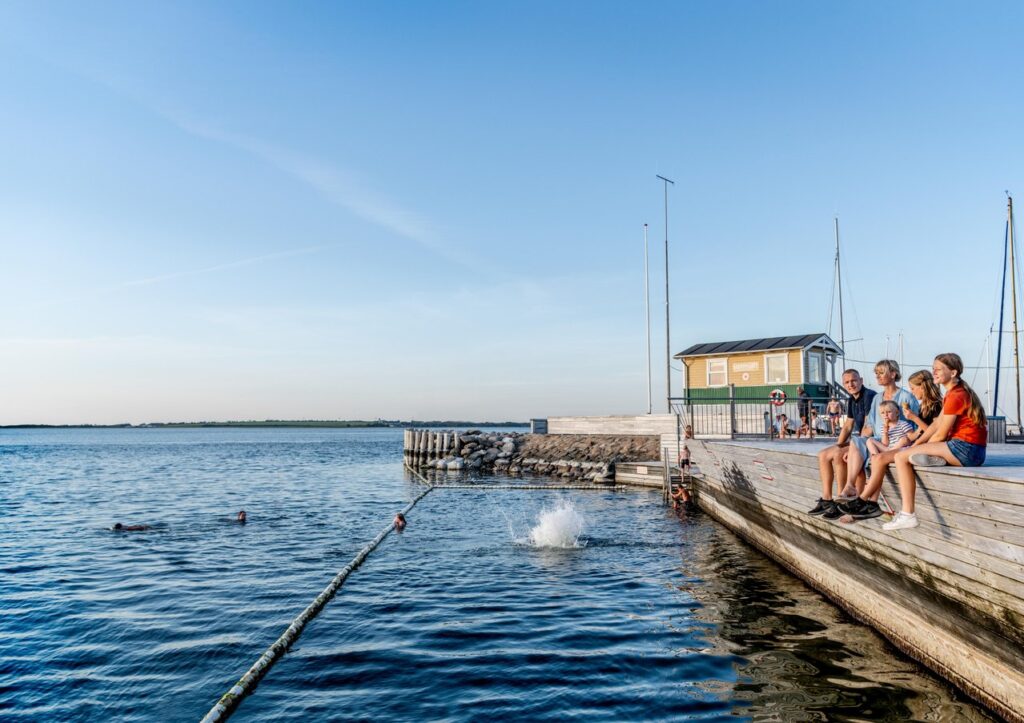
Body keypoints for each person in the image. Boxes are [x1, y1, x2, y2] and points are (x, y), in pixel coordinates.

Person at [884, 353, 987, 531]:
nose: (934, 372)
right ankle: (935, 459)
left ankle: (908, 515)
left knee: (901, 457)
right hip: (971, 450)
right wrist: (916, 445)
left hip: (965, 449)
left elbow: (940, 434)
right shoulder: (954, 392)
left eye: (938, 369)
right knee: (909, 453)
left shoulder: (956, 395)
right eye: (933, 369)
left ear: (953, 373)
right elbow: (936, 424)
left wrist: (918, 449)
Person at [840, 369, 943, 520]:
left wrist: (913, 419)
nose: (912, 392)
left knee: (879, 459)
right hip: (917, 446)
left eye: (913, 388)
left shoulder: (936, 405)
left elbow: (933, 433)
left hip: (925, 447)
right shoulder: (923, 407)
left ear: (923, 386)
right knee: (876, 458)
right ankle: (870, 503)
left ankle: (864, 501)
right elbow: (922, 432)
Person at [837, 360, 918, 503]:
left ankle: (863, 502)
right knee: (855, 443)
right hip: (878, 441)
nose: (877, 376)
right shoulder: (877, 398)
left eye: (881, 373)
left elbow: (914, 427)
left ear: (893, 374)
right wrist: (855, 447)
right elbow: (869, 426)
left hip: (896, 443)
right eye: (876, 373)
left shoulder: (907, 397)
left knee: (859, 453)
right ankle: (849, 486)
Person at [808, 369, 876, 518]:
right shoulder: (852, 399)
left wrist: (848, 448)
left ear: (861, 381)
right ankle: (827, 499)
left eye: (854, 381)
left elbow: (868, 426)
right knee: (823, 454)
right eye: (847, 382)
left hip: (869, 440)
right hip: (859, 439)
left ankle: (841, 501)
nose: (851, 384)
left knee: (839, 455)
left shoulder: (869, 396)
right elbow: (848, 426)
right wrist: (838, 445)